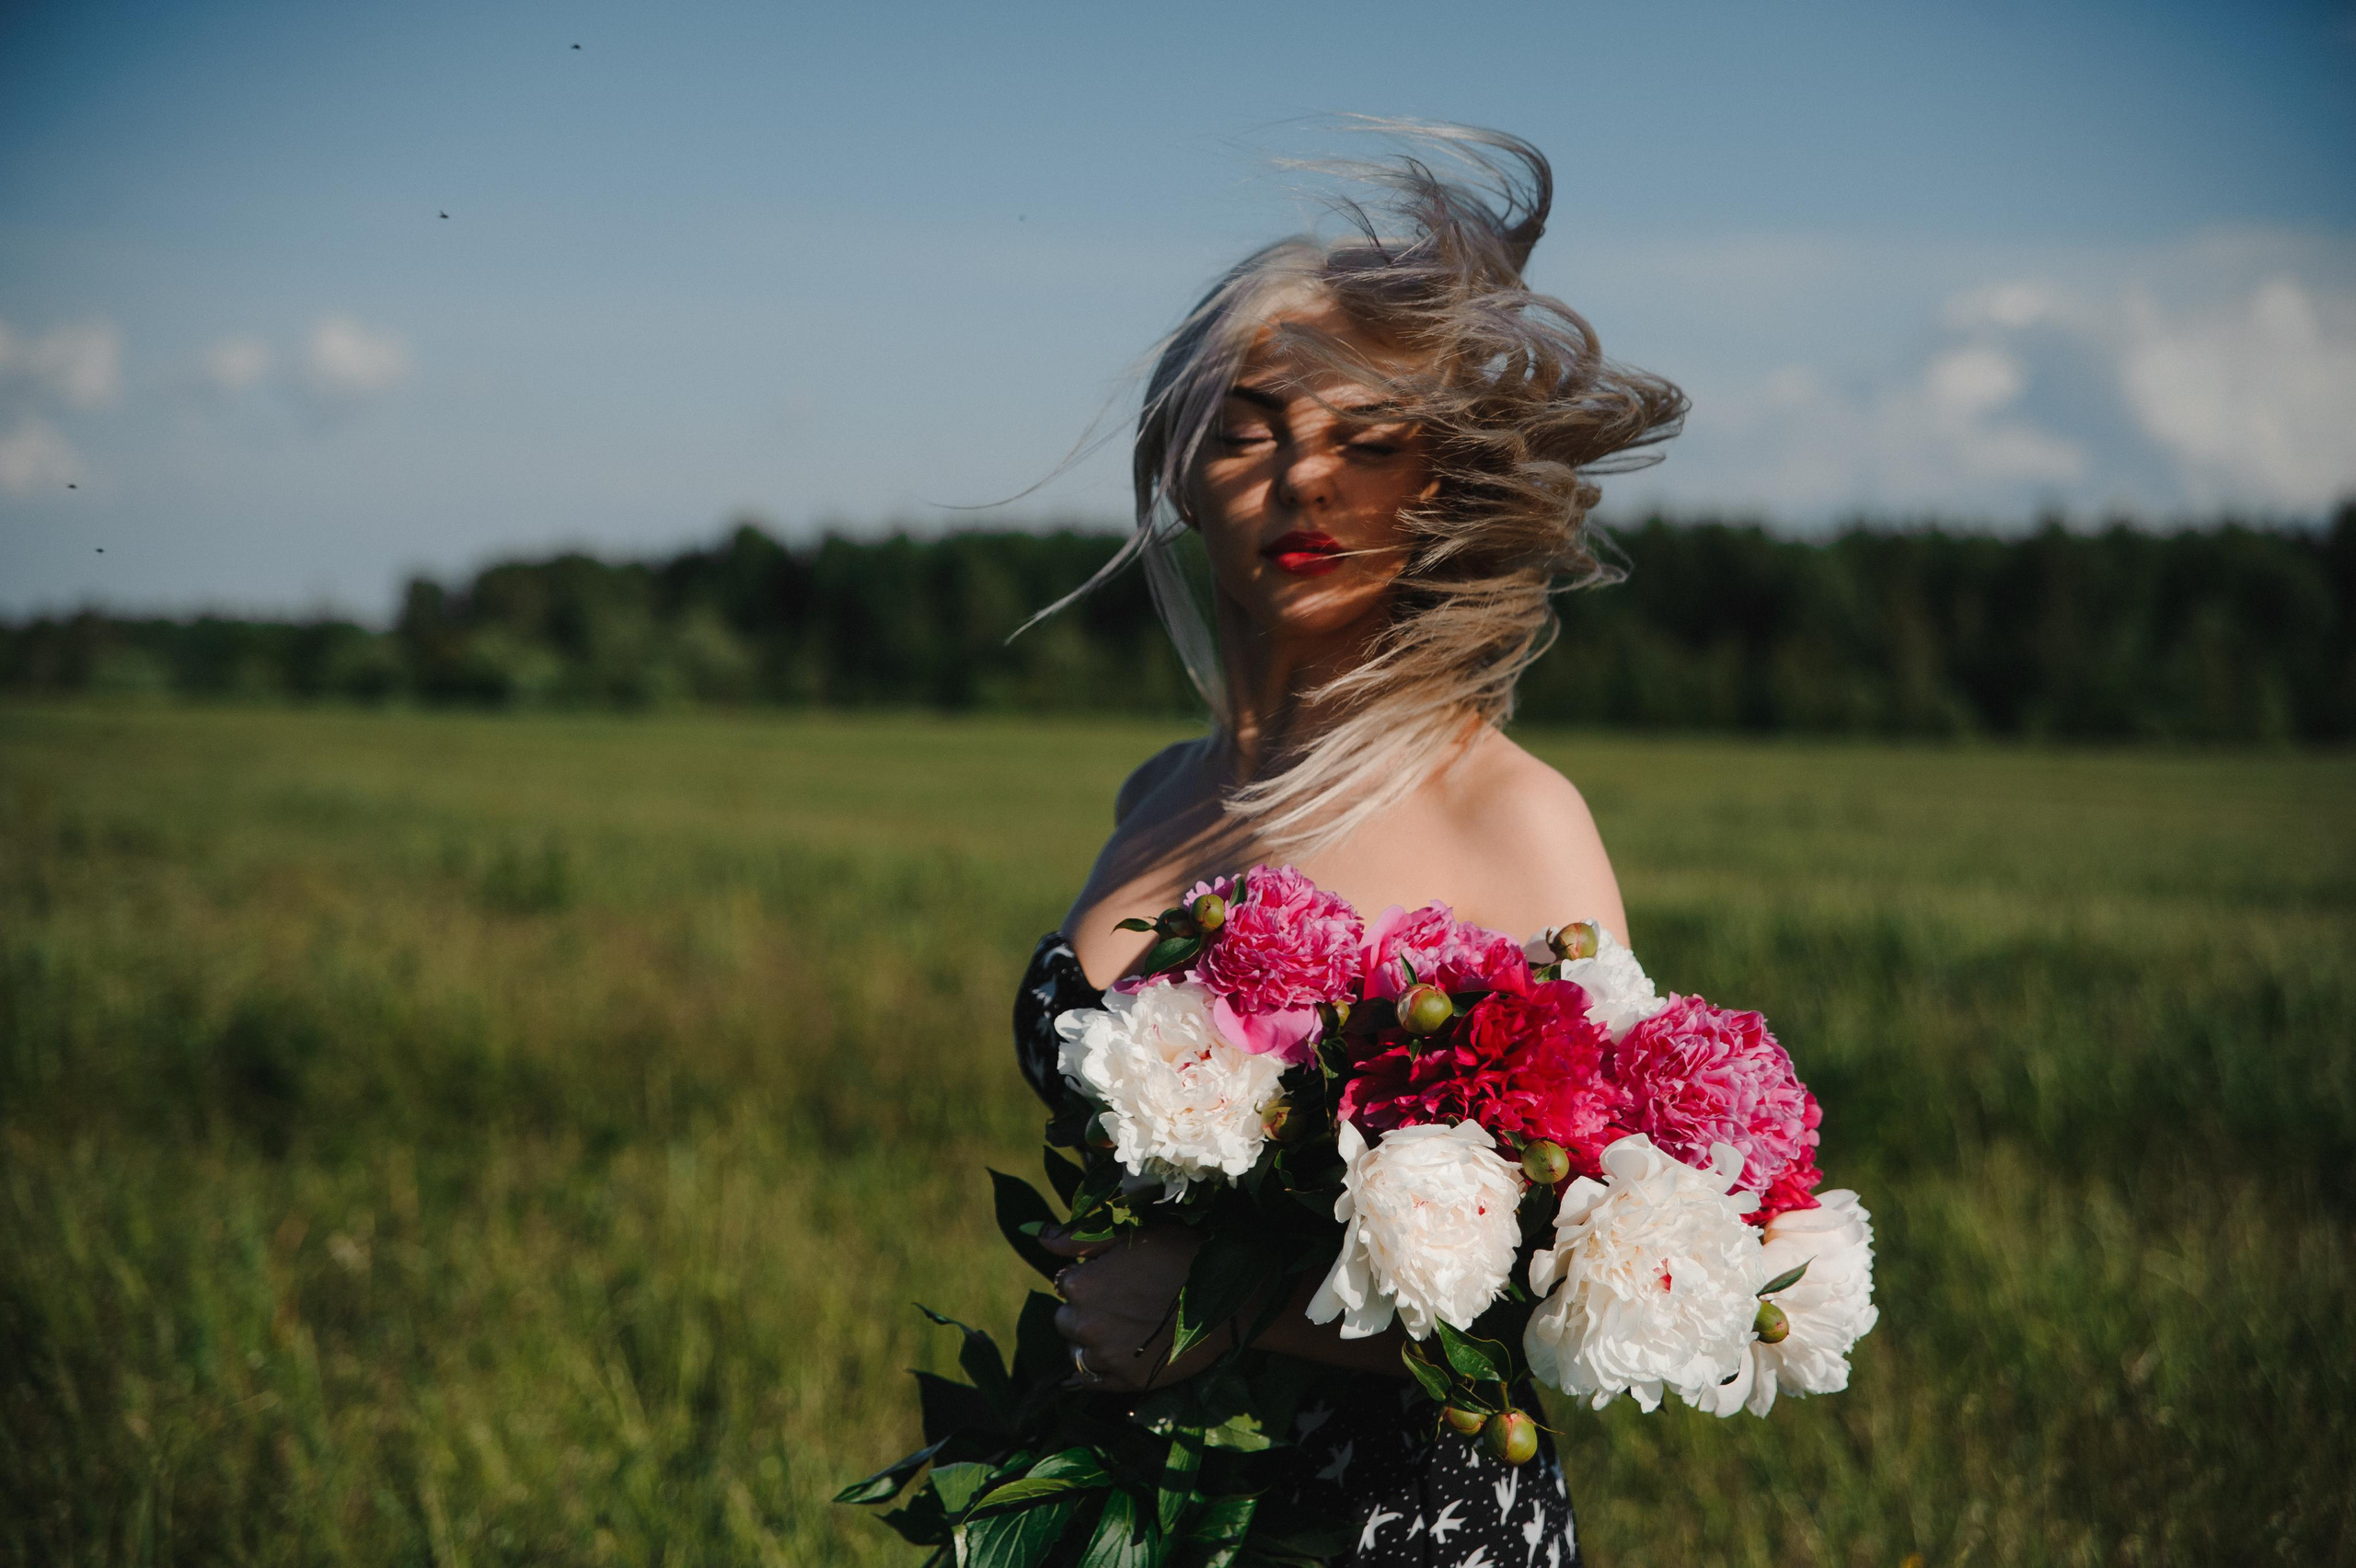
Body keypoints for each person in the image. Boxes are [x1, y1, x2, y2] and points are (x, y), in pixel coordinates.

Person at [1011, 122, 1686, 1568]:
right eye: (1250, 431)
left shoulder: (1509, 815)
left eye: (1370, 442)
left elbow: (1604, 1284)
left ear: (1432, 484)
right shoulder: (1156, 795)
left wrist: (1224, 1311)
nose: (1307, 480)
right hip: (1133, 1509)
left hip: (1403, 1526)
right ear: (1180, 471)